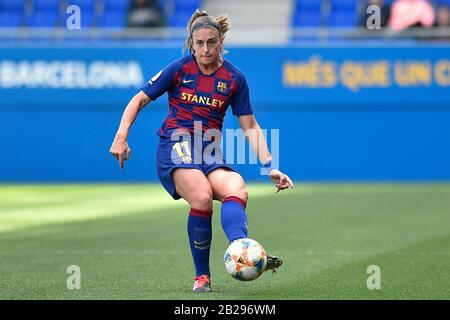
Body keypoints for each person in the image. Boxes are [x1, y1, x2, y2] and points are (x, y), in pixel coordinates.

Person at [109, 9, 294, 293]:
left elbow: (250, 126)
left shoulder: (234, 78)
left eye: (211, 42)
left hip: (208, 151)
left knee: (237, 187)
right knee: (202, 196)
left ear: (221, 42)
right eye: (200, 43)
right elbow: (138, 100)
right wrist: (121, 137)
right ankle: (202, 277)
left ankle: (243, 252)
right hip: (175, 144)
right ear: (191, 43)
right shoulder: (178, 69)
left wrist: (271, 166)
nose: (205, 49)